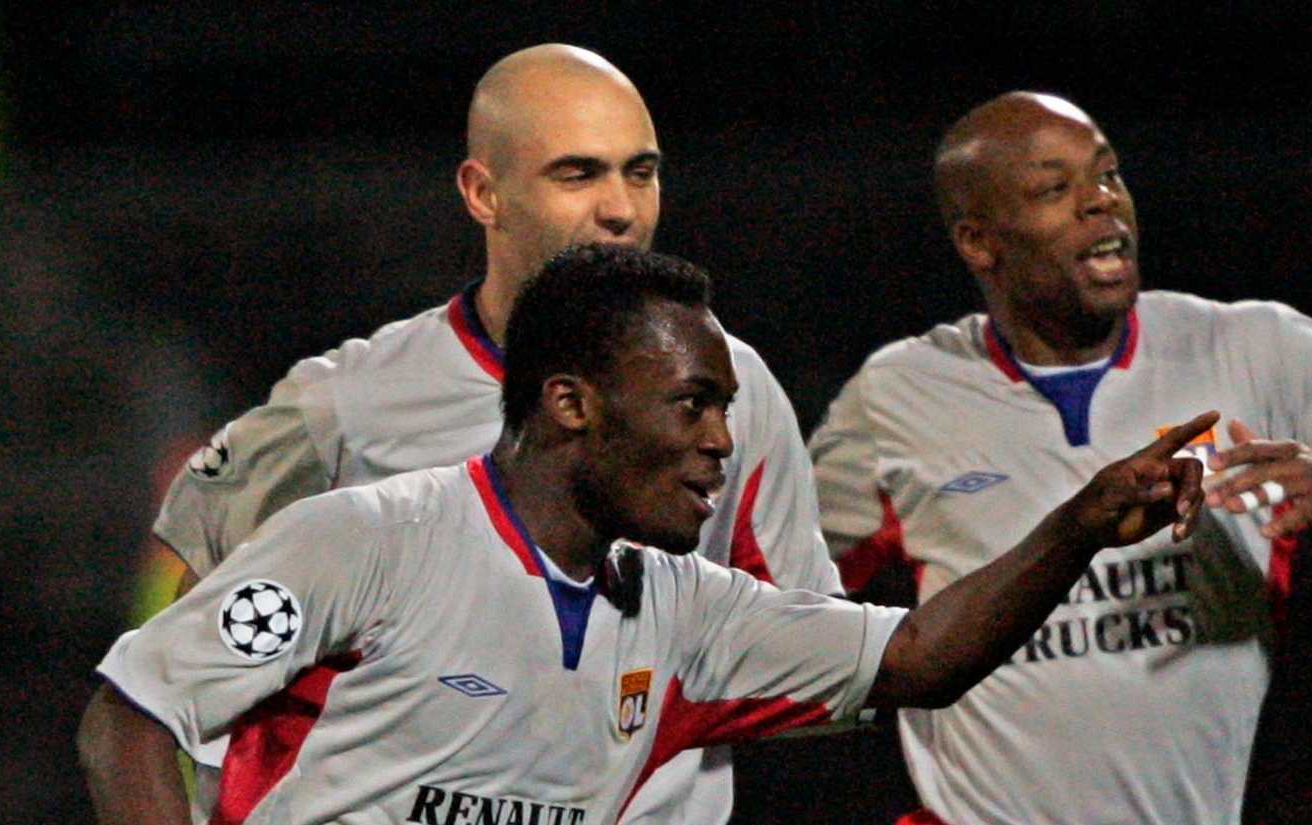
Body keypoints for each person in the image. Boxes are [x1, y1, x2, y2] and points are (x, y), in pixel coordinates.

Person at [78, 244, 1219, 825]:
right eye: (694, 404)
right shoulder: (369, 541)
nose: (726, 440)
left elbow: (918, 658)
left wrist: (1078, 525)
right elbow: (130, 718)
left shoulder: (686, 611)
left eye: (726, 406)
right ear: (572, 403)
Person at [96, 44, 840, 825]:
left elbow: (802, 658)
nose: (621, 207)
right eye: (578, 174)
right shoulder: (348, 403)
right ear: (483, 192)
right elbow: (184, 616)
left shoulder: (737, 390)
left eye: (641, 171)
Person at [809, 91, 1312, 825]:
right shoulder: (899, 392)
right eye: (1057, 189)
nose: (1101, 203)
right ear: (979, 241)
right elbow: (775, 598)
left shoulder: (1253, 349)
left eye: (1108, 174)